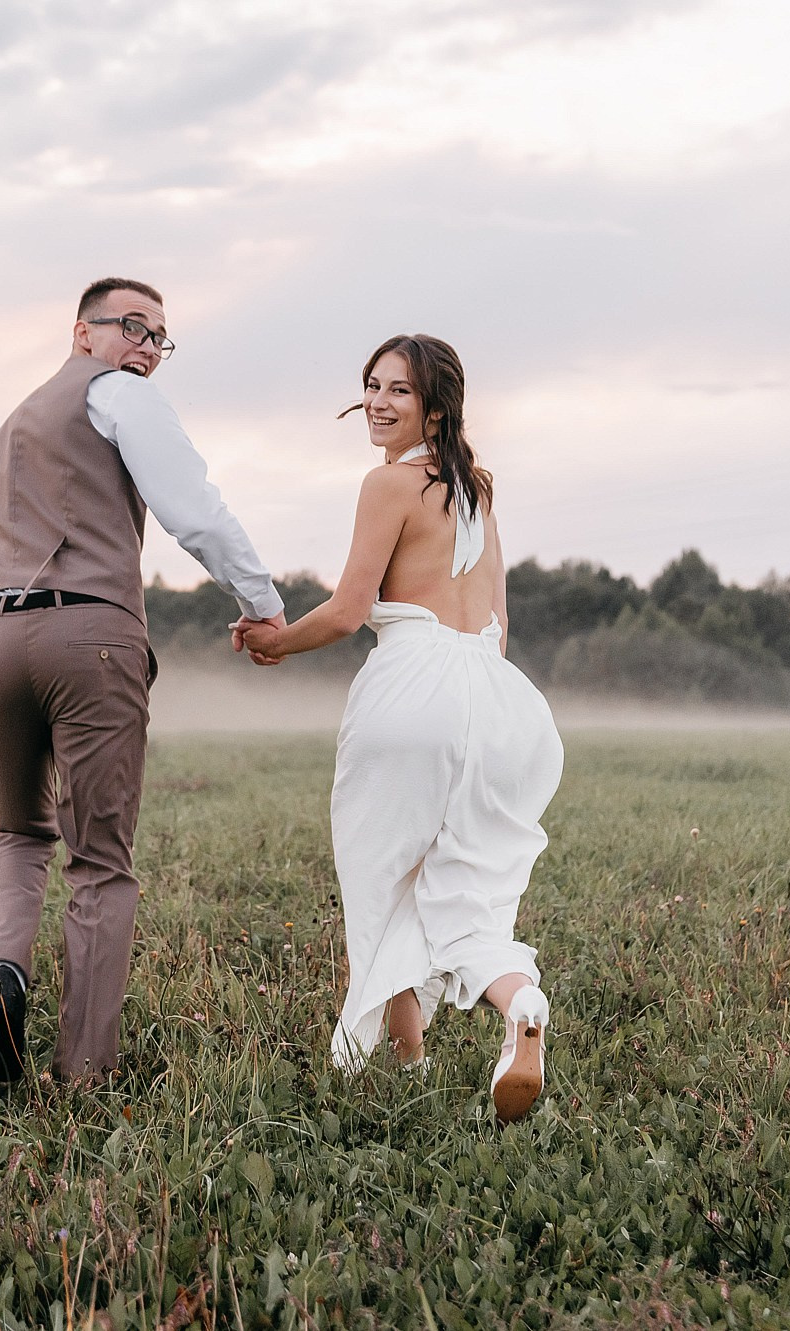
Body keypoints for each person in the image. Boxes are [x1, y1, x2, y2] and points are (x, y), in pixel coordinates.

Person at [0, 278, 285, 1084]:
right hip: (92, 637)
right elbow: (195, 510)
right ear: (81, 332)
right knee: (100, 860)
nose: (147, 348)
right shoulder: (121, 396)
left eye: (159, 337)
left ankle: (2, 973)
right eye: (132, 326)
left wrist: (2, 613)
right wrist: (261, 604)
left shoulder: (7, 429)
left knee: (17, 831)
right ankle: (83, 1073)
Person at [234, 334, 562, 1123]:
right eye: (372, 385)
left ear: (436, 409)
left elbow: (349, 610)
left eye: (399, 391)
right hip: (499, 702)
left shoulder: (388, 485)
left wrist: (275, 641)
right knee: (458, 891)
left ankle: (408, 1063)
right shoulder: (477, 489)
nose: (378, 402)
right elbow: (499, 623)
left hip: (413, 686)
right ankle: (516, 1001)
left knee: (383, 885)